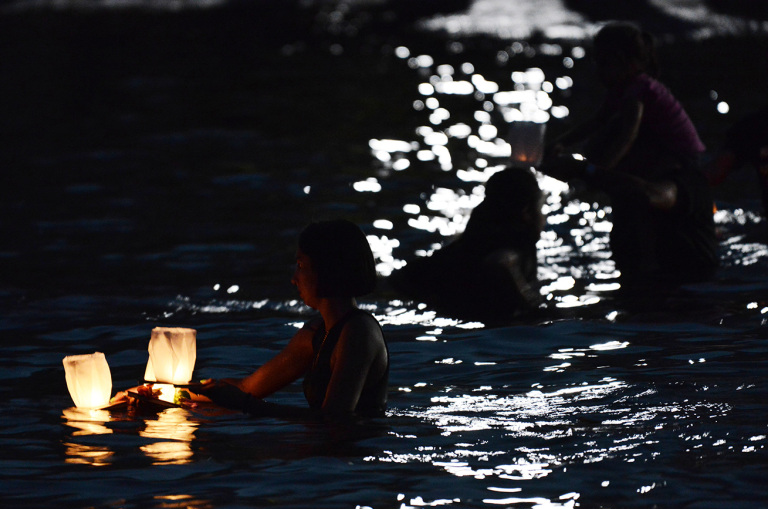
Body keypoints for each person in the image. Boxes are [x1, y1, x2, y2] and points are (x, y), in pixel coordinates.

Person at [541, 21, 718, 286]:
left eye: (602, 64)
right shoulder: (621, 90)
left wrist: (597, 170)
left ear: (622, 61)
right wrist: (560, 143)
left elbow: (628, 134)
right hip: (663, 165)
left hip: (682, 158)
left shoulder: (639, 90)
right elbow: (597, 121)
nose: (598, 72)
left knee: (647, 205)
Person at [194, 219, 390, 419]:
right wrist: (181, 391)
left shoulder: (359, 332)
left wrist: (245, 405)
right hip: (322, 448)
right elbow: (248, 387)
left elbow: (334, 418)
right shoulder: (316, 333)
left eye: (300, 264)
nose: (294, 278)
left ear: (325, 268)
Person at [389, 167, 544, 322]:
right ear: (527, 212)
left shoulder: (478, 240)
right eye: (540, 207)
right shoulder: (510, 250)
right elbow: (500, 262)